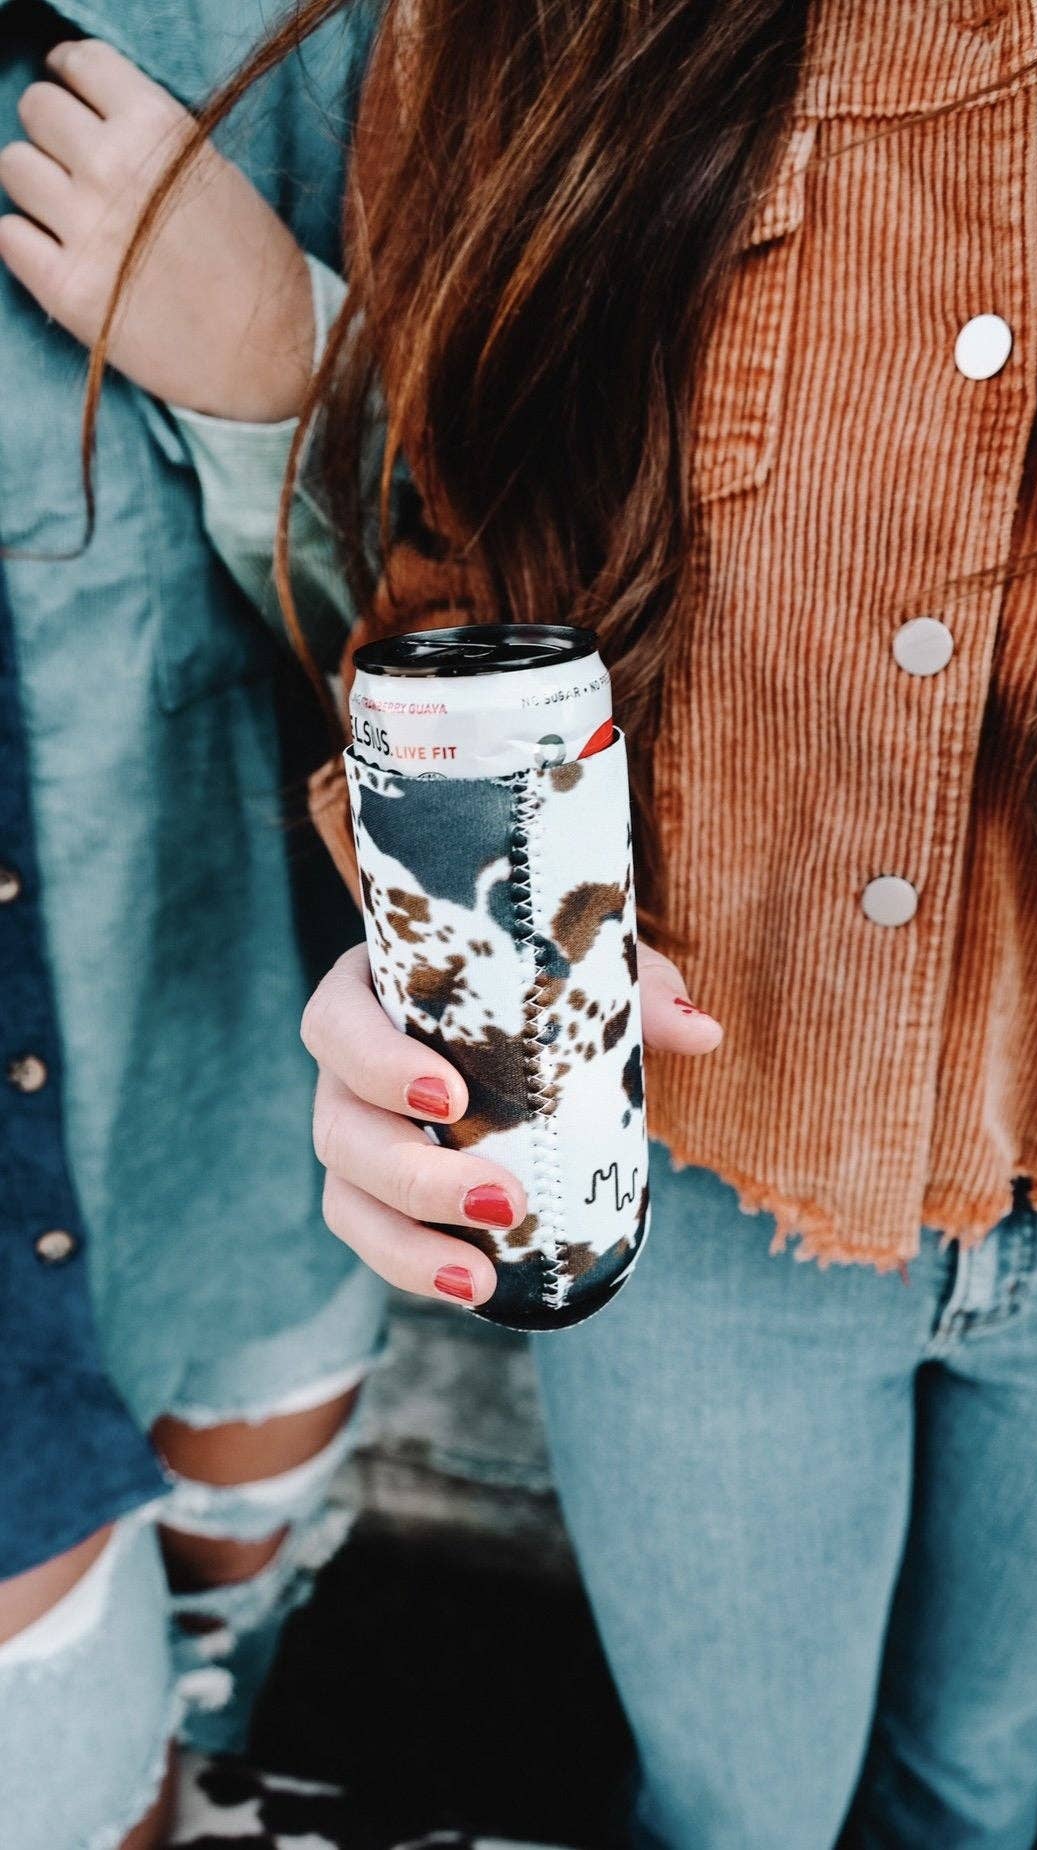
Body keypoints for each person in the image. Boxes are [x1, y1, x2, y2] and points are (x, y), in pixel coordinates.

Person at [9, 2, 1037, 1846]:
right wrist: (442, 930)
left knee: (979, 1762)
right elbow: (450, 565)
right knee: (735, 1807)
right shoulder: (533, 34)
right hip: (706, 1194)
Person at [0, 8, 386, 1848]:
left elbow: (517, 558)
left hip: (243, 1038)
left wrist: (282, 362)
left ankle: (209, 1722)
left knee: (219, 1614)